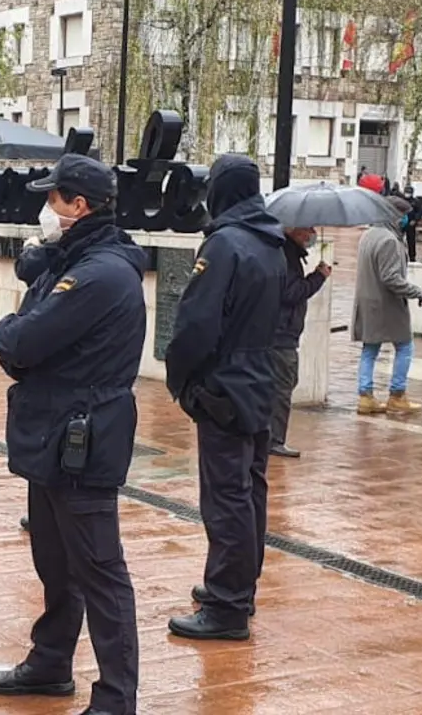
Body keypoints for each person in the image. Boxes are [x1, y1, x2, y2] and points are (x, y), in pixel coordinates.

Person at [0, 154, 145, 715]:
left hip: (82, 439)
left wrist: (8, 334)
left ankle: (116, 699)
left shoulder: (99, 274)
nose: (45, 209)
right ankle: (51, 663)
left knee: (99, 571)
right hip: (52, 431)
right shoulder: (71, 261)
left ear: (79, 205)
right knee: (55, 563)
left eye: (53, 199)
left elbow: (23, 339)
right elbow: (31, 329)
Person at [165, 154, 285, 641]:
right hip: (259, 382)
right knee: (249, 492)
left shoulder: (225, 246)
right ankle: (238, 587)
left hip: (226, 386)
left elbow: (196, 325)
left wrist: (182, 381)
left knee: (226, 499)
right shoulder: (271, 243)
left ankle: (227, 605)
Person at [353, 197, 422, 415]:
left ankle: (365, 396)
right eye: (403, 215)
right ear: (395, 215)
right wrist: (419, 293)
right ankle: (397, 395)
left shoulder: (368, 235)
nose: (406, 219)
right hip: (386, 304)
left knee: (370, 349)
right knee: (405, 346)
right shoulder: (389, 240)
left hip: (367, 302)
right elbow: (391, 278)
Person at [268, 227, 331, 458]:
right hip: (281, 333)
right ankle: (274, 439)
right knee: (283, 386)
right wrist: (318, 277)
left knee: (283, 382)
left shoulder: (288, 252)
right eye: (307, 230)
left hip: (281, 332)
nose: (311, 234)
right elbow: (292, 292)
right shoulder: (287, 255)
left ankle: (267, 435)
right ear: (294, 230)